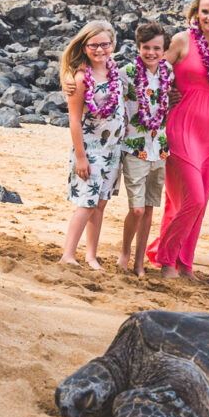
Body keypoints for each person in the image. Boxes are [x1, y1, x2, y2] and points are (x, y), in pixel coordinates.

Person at [150, 0, 209, 279]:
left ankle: (185, 264)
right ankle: (166, 260)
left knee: (201, 202)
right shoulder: (182, 41)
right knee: (192, 199)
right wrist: (166, 94)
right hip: (182, 124)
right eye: (205, 12)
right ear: (196, 14)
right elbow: (155, 69)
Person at [59, 20, 127, 269]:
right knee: (85, 203)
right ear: (84, 47)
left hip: (112, 150)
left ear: (113, 44)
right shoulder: (80, 78)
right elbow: (74, 120)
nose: (100, 50)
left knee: (99, 205)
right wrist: (81, 157)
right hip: (89, 150)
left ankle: (91, 256)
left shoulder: (114, 73)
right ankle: (68, 254)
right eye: (94, 45)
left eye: (105, 44)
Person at [117, 22, 172, 277]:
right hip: (135, 147)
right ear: (138, 47)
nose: (151, 53)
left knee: (149, 207)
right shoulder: (126, 72)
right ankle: (125, 252)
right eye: (146, 47)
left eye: (157, 48)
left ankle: (140, 262)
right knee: (136, 208)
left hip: (159, 148)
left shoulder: (168, 72)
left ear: (164, 49)